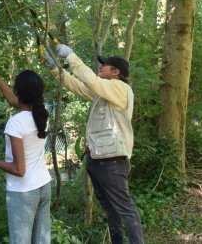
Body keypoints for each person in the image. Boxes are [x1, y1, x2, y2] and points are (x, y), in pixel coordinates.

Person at [43, 46, 144, 244]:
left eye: (104, 64)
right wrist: (55, 69)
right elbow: (78, 86)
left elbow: (90, 80)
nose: (100, 65)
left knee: (124, 209)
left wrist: (71, 56)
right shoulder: (104, 92)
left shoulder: (120, 88)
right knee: (111, 209)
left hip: (112, 163)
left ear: (116, 72)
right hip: (99, 161)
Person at [0, 62, 51, 244]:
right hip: (44, 185)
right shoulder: (42, 117)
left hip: (23, 192)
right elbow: (14, 102)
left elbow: (19, 169)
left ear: (19, 92)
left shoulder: (16, 123)